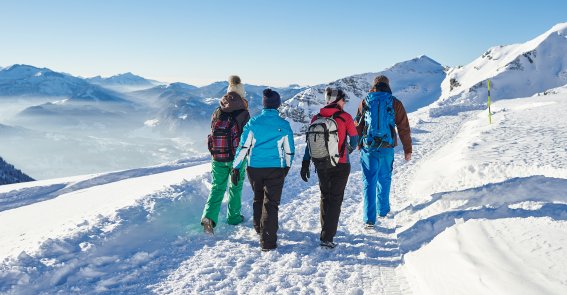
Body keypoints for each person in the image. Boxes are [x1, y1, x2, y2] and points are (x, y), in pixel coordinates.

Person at [231, 88, 295, 251]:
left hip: (254, 168)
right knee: (271, 203)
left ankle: (259, 227)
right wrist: (287, 166)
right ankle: (267, 241)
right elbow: (289, 150)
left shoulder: (254, 123)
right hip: (275, 168)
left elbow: (243, 146)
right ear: (277, 105)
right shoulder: (283, 125)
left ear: (264, 105)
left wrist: (236, 167)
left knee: (258, 197)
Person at [300, 87, 358, 249]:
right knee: (336, 199)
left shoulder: (316, 117)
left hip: (321, 163)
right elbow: (354, 140)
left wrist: (306, 163)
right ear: (337, 101)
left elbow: (310, 143)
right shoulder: (345, 117)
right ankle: (327, 237)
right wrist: (346, 150)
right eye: (343, 99)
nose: (344, 102)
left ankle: (325, 231)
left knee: (325, 197)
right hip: (340, 164)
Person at [354, 75, 412, 228]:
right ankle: (383, 210)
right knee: (384, 178)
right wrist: (408, 149)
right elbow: (403, 128)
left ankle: (369, 219)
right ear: (387, 85)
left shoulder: (365, 101)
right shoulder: (394, 102)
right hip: (387, 148)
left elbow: (357, 125)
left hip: (369, 148)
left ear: (374, 86)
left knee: (369, 182)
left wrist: (358, 144)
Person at [201, 75, 250, 234]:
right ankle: (233, 217)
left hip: (218, 157)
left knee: (217, 187)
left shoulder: (217, 111)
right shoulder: (243, 113)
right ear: (241, 94)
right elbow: (247, 137)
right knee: (235, 187)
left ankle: (209, 218)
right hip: (236, 158)